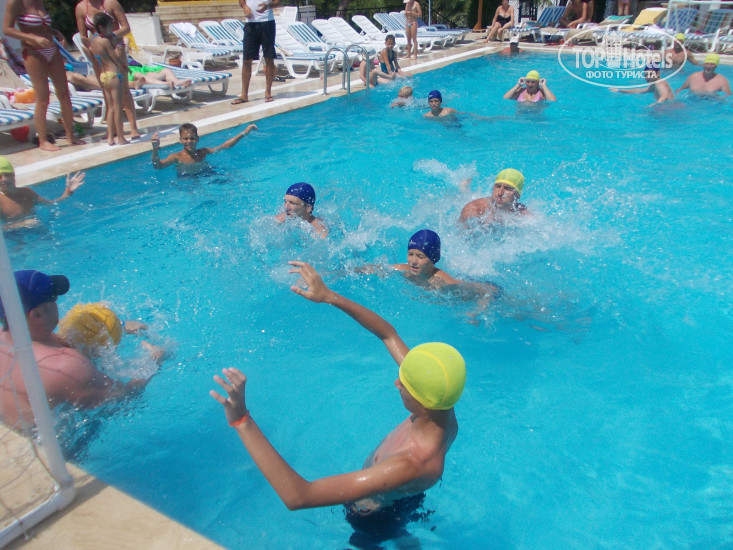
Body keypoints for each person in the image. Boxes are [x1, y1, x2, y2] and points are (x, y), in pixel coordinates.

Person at [210, 261, 465, 541]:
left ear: (422, 400)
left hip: (374, 515)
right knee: (403, 525)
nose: (396, 382)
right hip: (402, 492)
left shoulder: (411, 464)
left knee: (374, 538)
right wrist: (329, 296)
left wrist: (241, 420)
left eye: (403, 383)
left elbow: (299, 496)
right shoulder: (442, 399)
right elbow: (388, 333)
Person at [0, 270, 160, 427]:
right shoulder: (67, 366)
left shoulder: (10, 339)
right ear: (37, 315)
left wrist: (117, 325)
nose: (57, 303)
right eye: (53, 298)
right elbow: (124, 398)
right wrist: (152, 362)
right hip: (58, 443)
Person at [3, 0, 85, 151]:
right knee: (43, 98)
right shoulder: (15, 2)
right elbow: (7, 29)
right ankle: (43, 140)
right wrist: (32, 38)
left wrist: (55, 32)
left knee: (64, 94)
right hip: (32, 51)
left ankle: (70, 135)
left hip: (52, 49)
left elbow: (41, 26)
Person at [75, 0, 141, 139]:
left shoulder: (111, 3)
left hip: (116, 50)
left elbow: (126, 27)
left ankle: (133, 127)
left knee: (124, 90)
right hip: (99, 56)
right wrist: (92, 45)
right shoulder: (81, 8)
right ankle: (113, 130)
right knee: (107, 94)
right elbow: (83, 35)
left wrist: (109, 36)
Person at [0, 156, 85, 229]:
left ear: (13, 175)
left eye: (7, 175)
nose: (4, 179)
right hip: (15, 238)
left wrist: (68, 191)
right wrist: (22, 224)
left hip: (37, 232)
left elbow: (51, 204)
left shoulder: (27, 192)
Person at [151, 122, 258, 171]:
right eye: (185, 139)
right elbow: (158, 166)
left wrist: (244, 132)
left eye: (192, 138)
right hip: (186, 180)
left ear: (197, 139)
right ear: (180, 140)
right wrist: (155, 149)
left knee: (233, 176)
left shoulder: (203, 152)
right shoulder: (176, 157)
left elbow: (224, 146)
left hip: (206, 173)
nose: (189, 141)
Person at [90, 13, 128, 146]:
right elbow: (115, 58)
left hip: (103, 75)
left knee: (110, 108)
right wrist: (123, 64)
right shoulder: (105, 41)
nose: (111, 30)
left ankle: (110, 138)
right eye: (110, 27)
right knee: (118, 108)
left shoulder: (93, 40)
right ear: (101, 27)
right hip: (113, 75)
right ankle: (121, 137)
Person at [232, 0, 280, 105]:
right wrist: (245, 7)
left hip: (267, 23)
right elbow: (241, 1)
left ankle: (268, 92)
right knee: (246, 59)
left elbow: (278, 2)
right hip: (250, 24)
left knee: (269, 58)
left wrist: (267, 5)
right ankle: (244, 95)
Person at [459, 168, 530, 225]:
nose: (500, 193)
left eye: (507, 188)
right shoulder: (474, 209)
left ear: (517, 195)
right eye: (498, 186)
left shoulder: (522, 213)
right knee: (466, 196)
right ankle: (463, 187)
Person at [610, 63, 674, 107]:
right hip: (670, 106)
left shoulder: (659, 84)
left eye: (651, 74)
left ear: (658, 73)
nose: (648, 77)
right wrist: (619, 90)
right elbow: (638, 90)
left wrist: (652, 105)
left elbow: (664, 96)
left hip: (670, 108)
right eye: (646, 75)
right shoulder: (655, 84)